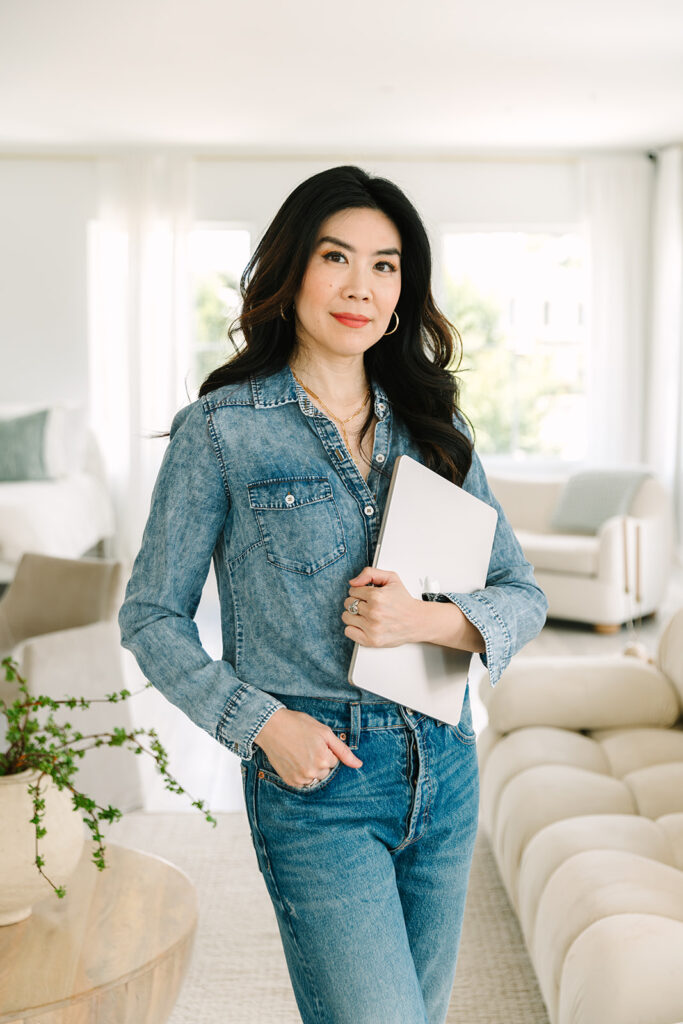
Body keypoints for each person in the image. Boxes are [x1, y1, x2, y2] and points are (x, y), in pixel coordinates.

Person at [119, 164, 548, 1024]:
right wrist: (261, 726)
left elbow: (520, 591)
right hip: (319, 780)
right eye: (337, 257)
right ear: (292, 272)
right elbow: (150, 616)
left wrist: (431, 619)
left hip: (446, 762)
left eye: (385, 266)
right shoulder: (222, 431)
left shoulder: (440, 428)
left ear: (403, 290)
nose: (362, 286)